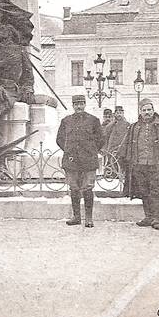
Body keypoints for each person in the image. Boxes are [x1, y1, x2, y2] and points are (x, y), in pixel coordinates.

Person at [118, 98, 159, 231]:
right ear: (140, 112)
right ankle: (148, 217)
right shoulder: (135, 127)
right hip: (139, 164)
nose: (147, 112)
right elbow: (126, 144)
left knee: (155, 191)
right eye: (144, 110)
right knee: (143, 191)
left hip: (156, 165)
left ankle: (156, 219)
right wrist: (124, 158)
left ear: (153, 110)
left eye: (149, 110)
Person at [56, 94, 103, 228]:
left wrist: (91, 150)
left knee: (88, 188)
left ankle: (88, 218)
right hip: (71, 161)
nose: (79, 106)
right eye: (76, 104)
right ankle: (76, 217)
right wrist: (69, 150)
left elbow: (101, 139)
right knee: (74, 188)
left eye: (81, 103)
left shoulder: (94, 120)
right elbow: (59, 139)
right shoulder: (66, 121)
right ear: (73, 105)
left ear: (85, 104)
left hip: (88, 160)